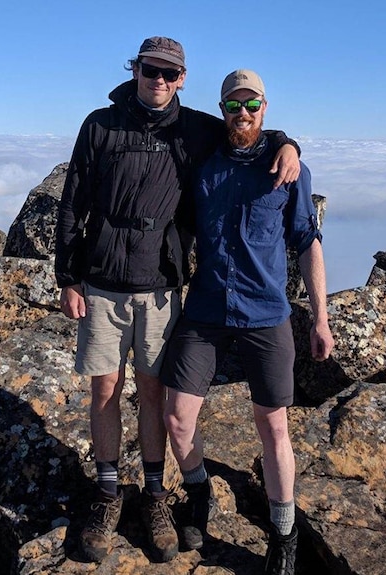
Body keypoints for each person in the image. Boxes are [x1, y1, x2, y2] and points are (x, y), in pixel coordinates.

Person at [54, 38, 301, 564]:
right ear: (136, 70)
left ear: (183, 78)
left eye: (169, 72)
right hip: (100, 279)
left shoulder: (195, 128)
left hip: (161, 282)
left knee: (151, 392)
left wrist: (288, 143)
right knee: (104, 388)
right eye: (150, 70)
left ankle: (153, 492)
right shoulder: (100, 124)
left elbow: (248, 130)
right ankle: (106, 491)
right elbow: (73, 199)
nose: (159, 80)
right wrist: (67, 277)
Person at [162, 69, 334, 575]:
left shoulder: (287, 169)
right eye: (233, 105)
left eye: (251, 104)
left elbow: (307, 240)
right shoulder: (204, 163)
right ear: (221, 110)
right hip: (208, 309)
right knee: (177, 417)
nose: (243, 114)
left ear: (265, 106)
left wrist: (320, 319)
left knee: (273, 425)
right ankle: (198, 496)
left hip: (266, 313)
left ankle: (283, 535)